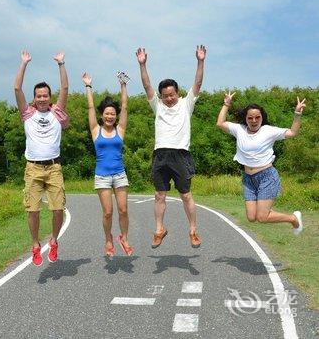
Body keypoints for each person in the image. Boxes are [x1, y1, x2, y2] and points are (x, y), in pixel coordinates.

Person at [136, 45, 206, 249]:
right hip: (160, 155)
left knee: (186, 195)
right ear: (161, 96)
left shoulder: (186, 104)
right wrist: (142, 65)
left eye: (172, 94)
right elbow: (147, 86)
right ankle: (159, 229)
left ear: (177, 92)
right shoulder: (157, 106)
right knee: (159, 194)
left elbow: (198, 83)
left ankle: (193, 230)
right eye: (165, 95)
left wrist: (200, 61)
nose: (169, 98)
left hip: (181, 155)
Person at [216, 92, 305, 234]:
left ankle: (293, 218)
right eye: (250, 117)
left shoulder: (268, 131)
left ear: (262, 118)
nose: (254, 120)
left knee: (262, 217)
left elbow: (292, 133)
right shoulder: (239, 130)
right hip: (248, 179)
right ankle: (286, 216)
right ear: (246, 119)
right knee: (252, 217)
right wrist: (226, 104)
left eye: (257, 117)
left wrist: (297, 114)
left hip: (266, 176)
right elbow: (220, 123)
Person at [14, 50, 69, 266]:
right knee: (33, 210)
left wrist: (61, 64)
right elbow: (17, 88)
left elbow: (65, 88)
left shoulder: (57, 112)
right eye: (39, 96)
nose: (43, 98)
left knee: (58, 210)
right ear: (35, 98)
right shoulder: (28, 114)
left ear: (49, 97)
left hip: (54, 167)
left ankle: (54, 241)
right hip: (33, 169)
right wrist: (24, 63)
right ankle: (36, 245)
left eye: (46, 95)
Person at [82, 71, 133, 257]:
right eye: (107, 113)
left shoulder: (120, 129)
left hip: (119, 174)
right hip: (102, 176)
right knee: (108, 213)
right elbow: (89, 108)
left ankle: (124, 238)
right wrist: (88, 86)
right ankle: (108, 239)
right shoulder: (96, 130)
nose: (110, 116)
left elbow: (125, 107)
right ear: (102, 115)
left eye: (113, 113)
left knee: (123, 210)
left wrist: (123, 86)